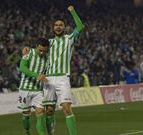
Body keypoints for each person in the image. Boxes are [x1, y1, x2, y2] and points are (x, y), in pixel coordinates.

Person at [23, 5, 83, 135]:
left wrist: (72, 12)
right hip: (48, 79)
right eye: (56, 25)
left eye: (61, 25)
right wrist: (28, 50)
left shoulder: (69, 39)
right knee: (49, 110)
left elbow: (80, 27)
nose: (58, 26)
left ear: (64, 27)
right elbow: (37, 51)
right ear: (53, 28)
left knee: (66, 108)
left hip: (62, 78)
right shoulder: (48, 43)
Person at [18, 38, 49, 135]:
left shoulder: (47, 58)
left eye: (44, 51)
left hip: (38, 90)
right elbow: (22, 67)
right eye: (40, 50)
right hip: (25, 89)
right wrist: (36, 75)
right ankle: (27, 132)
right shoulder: (28, 53)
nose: (41, 53)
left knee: (40, 114)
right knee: (26, 115)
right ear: (36, 46)